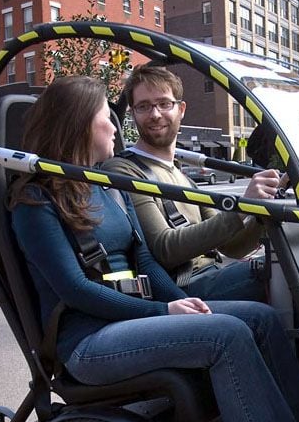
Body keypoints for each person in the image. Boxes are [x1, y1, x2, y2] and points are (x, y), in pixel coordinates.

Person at [8, 76, 299, 422]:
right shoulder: (35, 202)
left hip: (131, 321)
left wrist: (180, 301)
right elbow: (75, 290)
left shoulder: (107, 187)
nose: (115, 127)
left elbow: (145, 259)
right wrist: (165, 313)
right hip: (89, 342)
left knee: (258, 318)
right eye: (105, 118)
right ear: (78, 126)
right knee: (225, 334)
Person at [103, 65, 280, 302]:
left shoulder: (182, 175)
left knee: (290, 265)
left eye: (164, 103)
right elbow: (165, 249)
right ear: (133, 113)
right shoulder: (123, 169)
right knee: (284, 274)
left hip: (214, 275)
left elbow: (231, 247)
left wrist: (260, 213)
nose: (155, 114)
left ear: (181, 109)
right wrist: (242, 206)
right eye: (144, 106)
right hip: (183, 290)